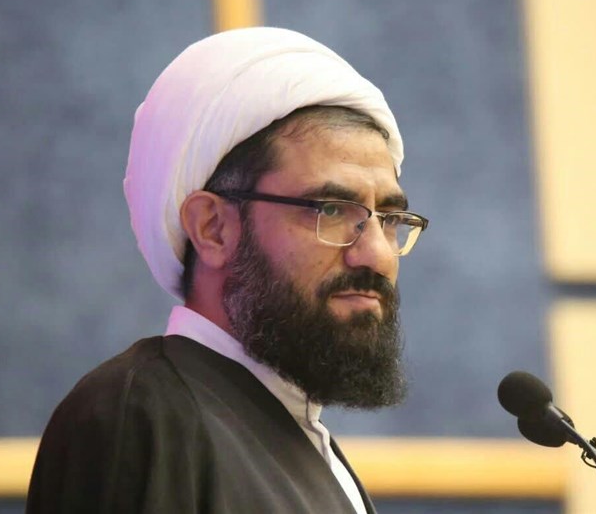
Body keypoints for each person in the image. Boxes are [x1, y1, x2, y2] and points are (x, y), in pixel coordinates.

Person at [26, 27, 429, 514]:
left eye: (390, 218)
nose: (378, 255)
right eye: (330, 210)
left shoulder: (295, 435)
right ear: (213, 228)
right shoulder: (143, 417)